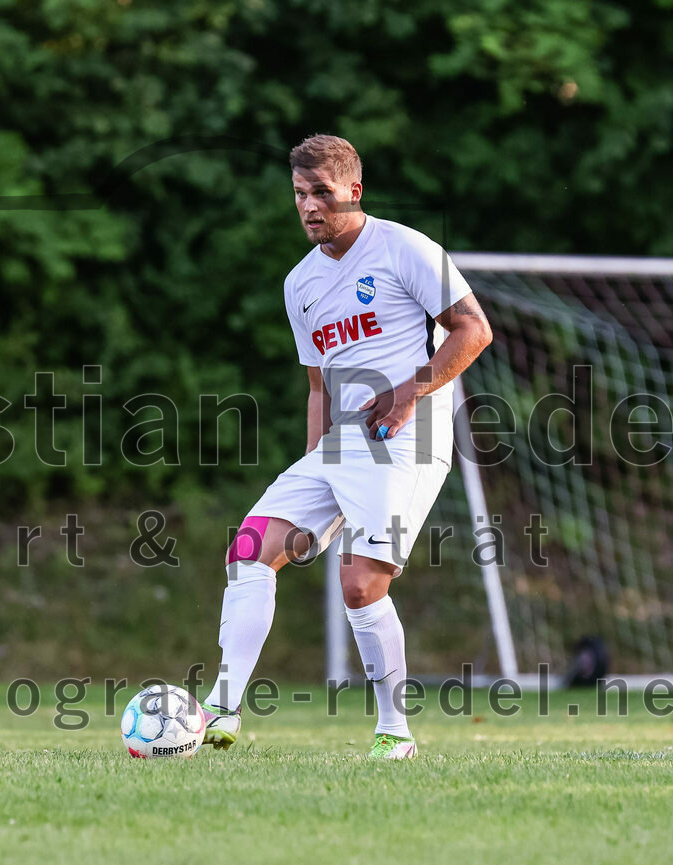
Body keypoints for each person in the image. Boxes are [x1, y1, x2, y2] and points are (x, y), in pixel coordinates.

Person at [199, 134, 493, 759]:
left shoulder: (404, 247)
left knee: (361, 586)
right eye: (300, 195)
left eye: (322, 194)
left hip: (407, 438)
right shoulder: (299, 284)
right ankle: (221, 710)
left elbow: (474, 330)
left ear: (354, 192)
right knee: (248, 550)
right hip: (339, 446)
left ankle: (395, 732)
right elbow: (318, 387)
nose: (309, 207)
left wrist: (411, 391)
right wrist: (317, 465)